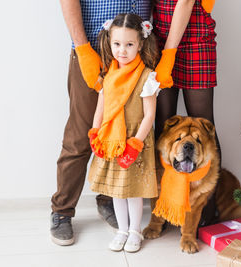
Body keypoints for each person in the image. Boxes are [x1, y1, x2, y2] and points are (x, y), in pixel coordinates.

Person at [50, 0, 152, 246]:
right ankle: (62, 210)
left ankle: (110, 199)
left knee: (126, 130)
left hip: (134, 51)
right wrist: (83, 49)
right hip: (94, 49)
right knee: (81, 133)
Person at [83, 13, 159, 252]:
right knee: (118, 190)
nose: (122, 51)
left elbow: (149, 115)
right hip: (112, 141)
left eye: (129, 45)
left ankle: (135, 231)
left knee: (133, 191)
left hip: (135, 142)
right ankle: (122, 230)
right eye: (117, 44)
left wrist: (136, 143)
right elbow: (101, 109)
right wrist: (95, 133)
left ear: (140, 44)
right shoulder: (108, 76)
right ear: (109, 42)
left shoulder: (147, 76)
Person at [153, 0, 221, 227]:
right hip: (160, 37)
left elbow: (185, 3)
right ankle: (164, 208)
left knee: (205, 128)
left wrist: (169, 54)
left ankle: (208, 211)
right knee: (164, 128)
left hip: (196, 39)